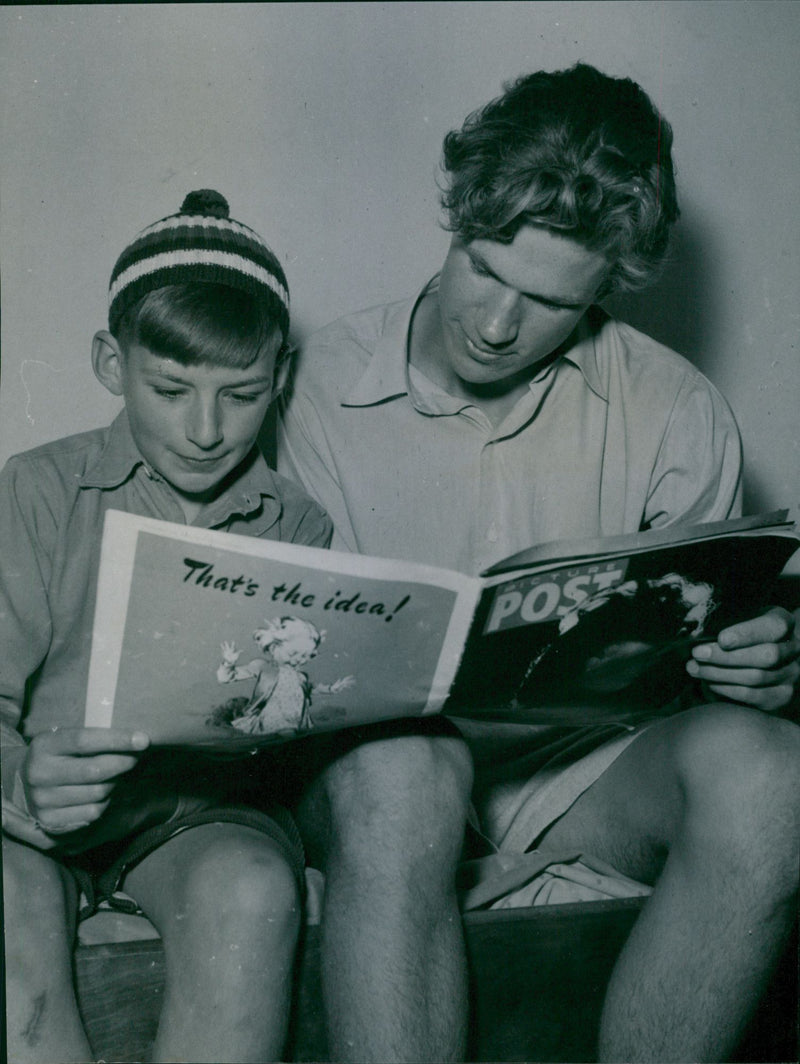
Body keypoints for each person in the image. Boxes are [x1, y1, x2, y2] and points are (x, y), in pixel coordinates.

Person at [277, 64, 800, 1061]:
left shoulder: (675, 407)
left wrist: (756, 664)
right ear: (458, 216)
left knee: (771, 770)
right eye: (484, 269)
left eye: (550, 303)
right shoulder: (314, 387)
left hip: (577, 773)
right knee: (401, 764)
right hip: (372, 774)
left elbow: (707, 645)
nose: (494, 324)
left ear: (606, 288)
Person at [1, 190, 333, 1064]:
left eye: (243, 394)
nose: (205, 430)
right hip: (34, 817)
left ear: (283, 377)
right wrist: (20, 784)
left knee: (256, 890)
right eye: (171, 388)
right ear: (112, 363)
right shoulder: (36, 492)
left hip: (193, 818)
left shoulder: (298, 525)